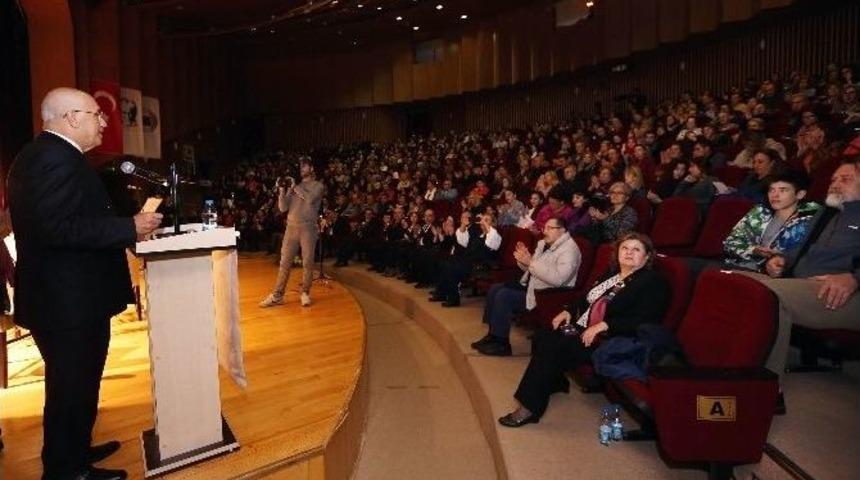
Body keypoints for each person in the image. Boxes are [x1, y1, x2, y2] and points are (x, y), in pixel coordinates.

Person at [8, 87, 163, 480]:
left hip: (68, 299)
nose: (104, 121)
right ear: (72, 118)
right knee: (71, 388)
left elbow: (68, 219)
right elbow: (58, 229)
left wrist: (125, 228)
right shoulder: (53, 161)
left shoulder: (48, 156)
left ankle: (74, 450)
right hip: (68, 302)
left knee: (75, 385)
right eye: (97, 114)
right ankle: (67, 470)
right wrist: (129, 226)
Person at [498, 233, 670, 427]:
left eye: (636, 249)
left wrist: (605, 325)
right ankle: (555, 381)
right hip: (584, 327)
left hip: (609, 340)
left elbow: (646, 320)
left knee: (555, 346)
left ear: (647, 256)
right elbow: (586, 297)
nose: (629, 253)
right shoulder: (612, 273)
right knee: (544, 335)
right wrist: (568, 311)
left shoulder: (652, 282)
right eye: (625, 248)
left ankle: (528, 408)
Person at [742, 160, 860, 380]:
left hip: (843, 293)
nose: (835, 185)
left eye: (845, 179)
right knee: (733, 281)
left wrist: (854, 277)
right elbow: (800, 248)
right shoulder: (827, 213)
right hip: (804, 283)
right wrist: (780, 259)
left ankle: (765, 385)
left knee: (765, 296)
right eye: (833, 179)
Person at [472, 217, 581, 356]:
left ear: (563, 230)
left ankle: (501, 343)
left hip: (547, 293)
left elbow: (559, 279)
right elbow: (532, 268)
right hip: (533, 284)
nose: (544, 231)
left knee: (504, 295)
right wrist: (524, 259)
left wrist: (530, 262)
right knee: (495, 289)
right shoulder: (543, 244)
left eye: (549, 228)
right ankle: (493, 335)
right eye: (544, 228)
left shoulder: (569, 250)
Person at [260, 158, 325, 308]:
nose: (302, 168)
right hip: (291, 228)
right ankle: (277, 295)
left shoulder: (318, 186)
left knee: (308, 263)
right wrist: (282, 191)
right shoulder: (295, 186)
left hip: (308, 228)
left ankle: (305, 293)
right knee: (284, 263)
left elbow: (309, 200)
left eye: (305, 166)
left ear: (312, 168)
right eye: (301, 166)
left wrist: (294, 186)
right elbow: (282, 208)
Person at [724, 172, 820, 271]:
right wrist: (754, 250)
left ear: (800, 194)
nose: (775, 195)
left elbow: (796, 257)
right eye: (771, 190)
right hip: (742, 266)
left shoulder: (809, 220)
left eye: (783, 190)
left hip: (777, 275)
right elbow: (730, 243)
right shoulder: (761, 212)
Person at [429, 211, 501, 307]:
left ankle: (453, 299)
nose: (483, 222)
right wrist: (463, 225)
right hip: (468, 261)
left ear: (492, 224)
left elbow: (491, 243)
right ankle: (442, 293)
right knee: (445, 262)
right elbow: (462, 241)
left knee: (452, 266)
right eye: (483, 220)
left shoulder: (496, 236)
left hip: (480, 265)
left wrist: (485, 223)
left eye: (487, 220)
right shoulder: (478, 235)